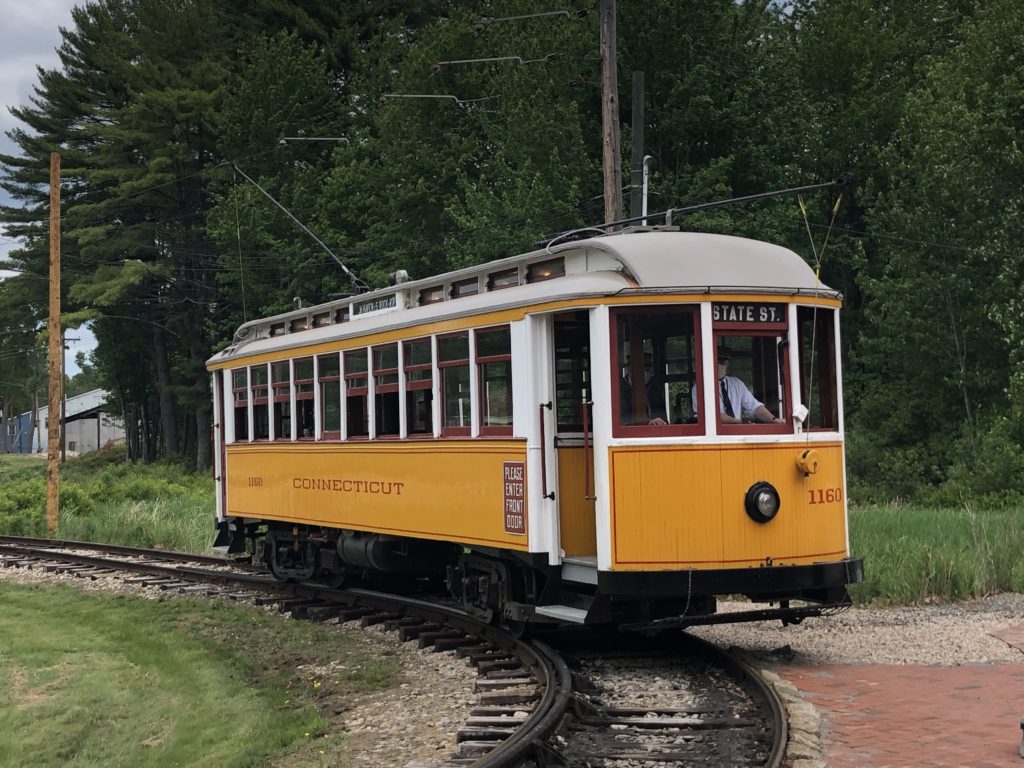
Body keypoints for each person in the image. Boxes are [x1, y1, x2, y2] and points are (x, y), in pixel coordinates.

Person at [694, 345, 784, 424]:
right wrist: (739, 422)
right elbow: (711, 415)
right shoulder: (700, 387)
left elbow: (754, 407)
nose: (723, 364)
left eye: (725, 361)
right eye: (719, 361)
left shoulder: (736, 383)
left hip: (736, 435)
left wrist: (773, 419)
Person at [620, 352, 667, 426]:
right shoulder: (621, 389)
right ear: (629, 368)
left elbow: (661, 411)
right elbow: (623, 417)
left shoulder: (654, 387)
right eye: (642, 367)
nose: (645, 370)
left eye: (647, 368)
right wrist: (648, 422)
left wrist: (660, 421)